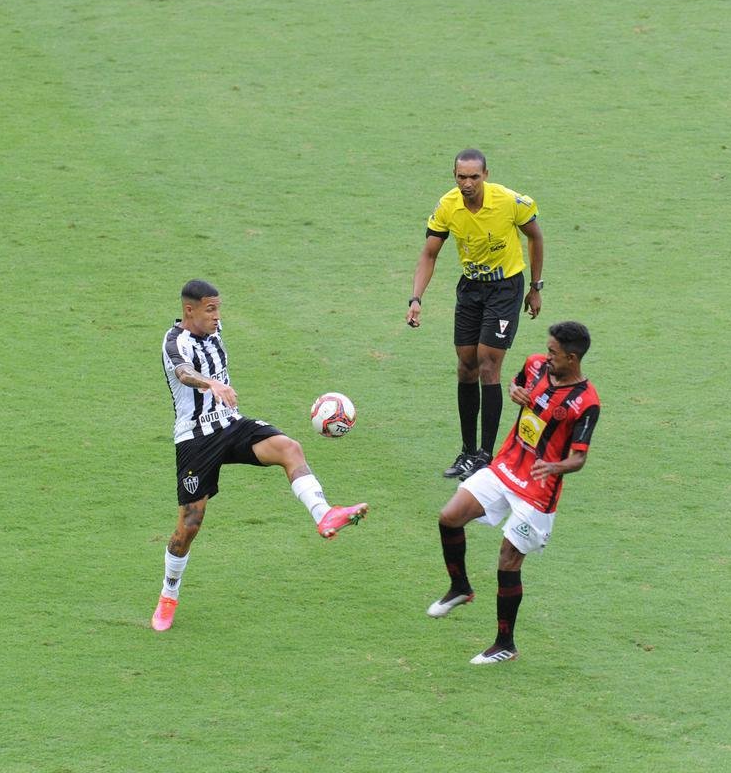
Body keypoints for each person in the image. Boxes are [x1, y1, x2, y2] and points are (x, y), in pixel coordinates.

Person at [151, 279, 368, 632]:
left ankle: (324, 514)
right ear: (189, 310)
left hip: (230, 425)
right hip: (195, 439)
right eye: (210, 309)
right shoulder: (174, 342)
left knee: (289, 448)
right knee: (188, 527)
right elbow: (182, 373)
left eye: (219, 308)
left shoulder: (214, 331)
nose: (218, 317)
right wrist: (212, 384)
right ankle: (168, 593)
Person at [425, 321, 599, 665]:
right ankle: (460, 588)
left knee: (508, 559)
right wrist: (514, 390)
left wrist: (555, 466)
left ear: (573, 358)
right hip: (506, 467)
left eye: (554, 353)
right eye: (547, 349)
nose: (547, 356)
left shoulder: (586, 402)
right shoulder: (535, 365)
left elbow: (578, 458)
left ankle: (505, 643)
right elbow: (518, 383)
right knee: (449, 517)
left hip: (538, 491)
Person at [406, 148, 545, 482]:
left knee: (487, 363)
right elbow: (429, 254)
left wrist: (536, 286)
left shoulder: (511, 202)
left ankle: (486, 456)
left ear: (486, 175)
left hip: (505, 288)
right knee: (465, 365)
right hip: (471, 288)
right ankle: (468, 452)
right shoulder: (447, 206)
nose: (467, 183)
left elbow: (536, 237)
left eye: (474, 177)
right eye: (461, 177)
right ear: (454, 176)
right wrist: (415, 298)